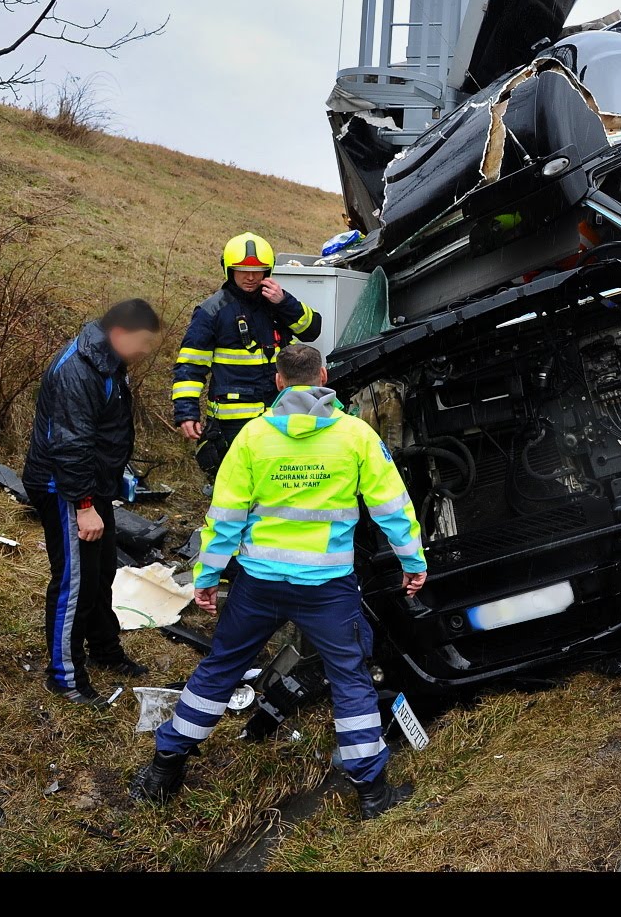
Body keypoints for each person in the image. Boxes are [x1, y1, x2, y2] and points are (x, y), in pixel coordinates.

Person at [132, 344, 426, 818]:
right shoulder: (356, 436)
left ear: (278, 381)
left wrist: (206, 576)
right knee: (350, 679)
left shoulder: (252, 437)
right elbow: (392, 507)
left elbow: (225, 517)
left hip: (259, 585)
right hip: (327, 589)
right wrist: (413, 561)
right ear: (323, 376)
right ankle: (373, 794)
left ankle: (163, 771)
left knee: (220, 669)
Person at [23, 300, 163, 704]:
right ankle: (65, 677)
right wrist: (84, 506)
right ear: (119, 334)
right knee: (75, 583)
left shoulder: (108, 360)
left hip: (92, 485)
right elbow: (70, 443)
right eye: (142, 343)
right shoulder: (78, 371)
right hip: (65, 489)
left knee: (100, 573)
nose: (144, 351)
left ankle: (104, 649)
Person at [172, 233, 322, 476]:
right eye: (243, 270)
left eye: (257, 271)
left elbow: (312, 330)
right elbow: (190, 366)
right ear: (229, 270)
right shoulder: (212, 311)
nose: (251, 277)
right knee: (236, 482)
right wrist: (186, 412)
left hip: (278, 414)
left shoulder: (277, 303)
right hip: (232, 423)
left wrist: (284, 302)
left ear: (268, 271)